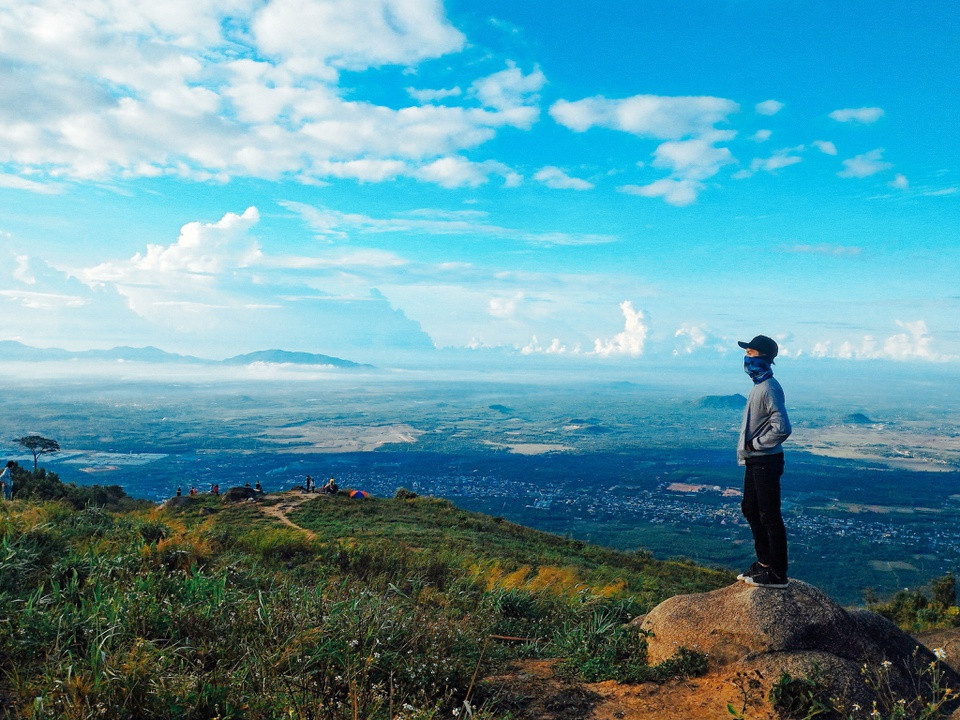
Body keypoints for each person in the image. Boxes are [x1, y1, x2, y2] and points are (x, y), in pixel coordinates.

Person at [736, 334, 792, 589]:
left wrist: (755, 445)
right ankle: (764, 563)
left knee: (769, 516)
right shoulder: (759, 386)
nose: (746, 358)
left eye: (750, 353)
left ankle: (778, 574)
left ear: (763, 358)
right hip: (756, 461)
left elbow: (782, 427)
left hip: (765, 461)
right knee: (750, 509)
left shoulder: (769, 388)